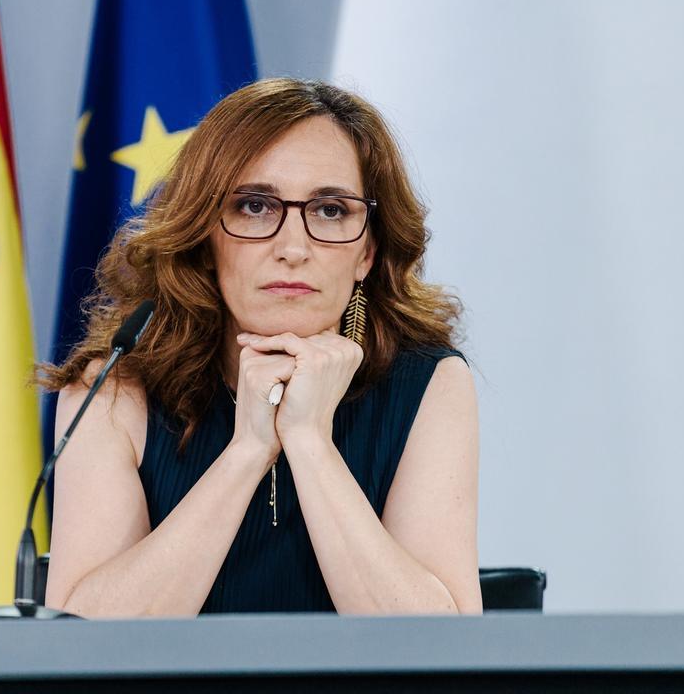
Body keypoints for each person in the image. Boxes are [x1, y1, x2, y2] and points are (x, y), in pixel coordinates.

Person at [38, 78, 481, 617]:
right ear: (205, 237)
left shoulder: (429, 383)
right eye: (254, 206)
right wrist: (248, 450)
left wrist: (308, 439)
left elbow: (440, 654)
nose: (293, 248)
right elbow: (81, 648)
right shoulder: (112, 389)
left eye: (331, 211)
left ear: (367, 251)